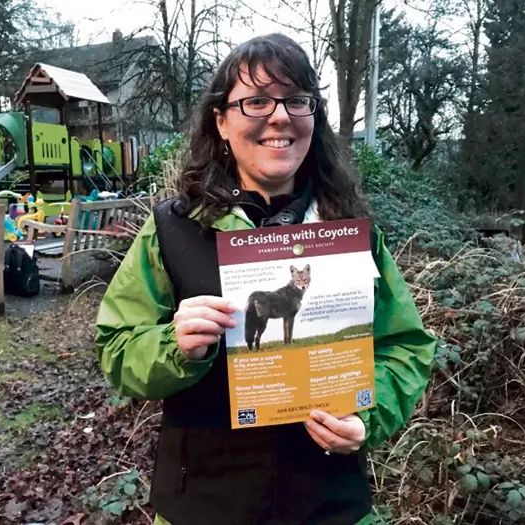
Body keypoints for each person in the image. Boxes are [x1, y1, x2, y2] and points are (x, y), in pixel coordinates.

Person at [95, 33, 436, 525]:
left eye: (296, 100)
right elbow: (117, 347)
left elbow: (404, 345)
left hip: (330, 507)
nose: (279, 117)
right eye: (256, 101)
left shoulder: (350, 232)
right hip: (204, 505)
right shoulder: (173, 228)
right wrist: (174, 345)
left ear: (314, 117)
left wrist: (367, 414)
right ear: (221, 121)